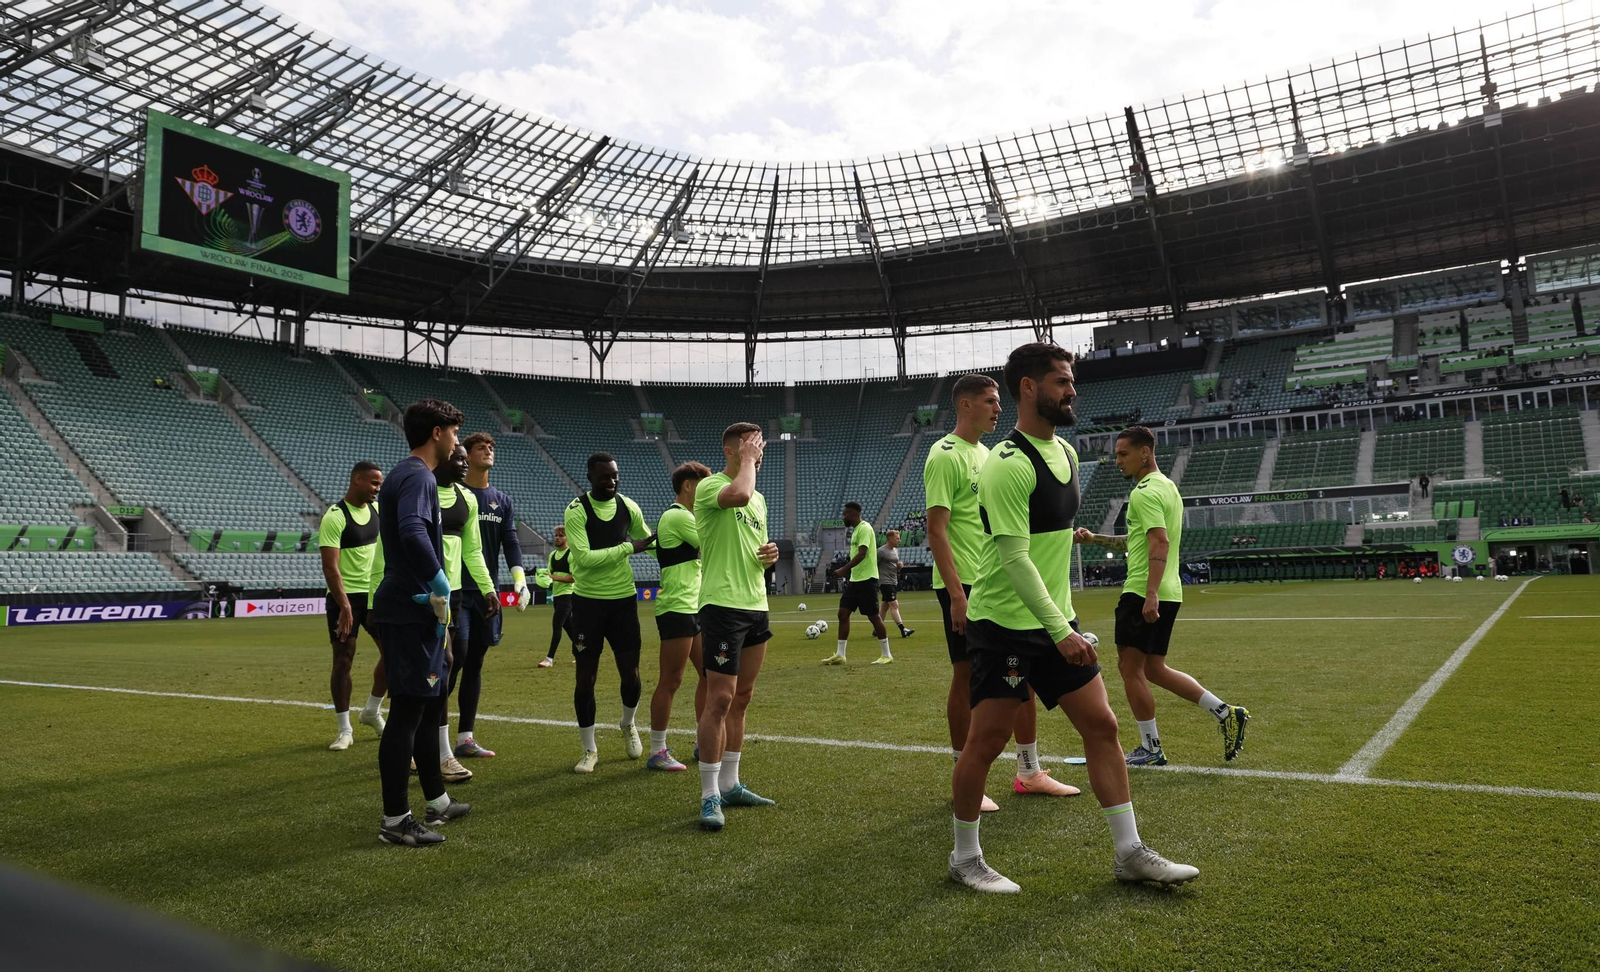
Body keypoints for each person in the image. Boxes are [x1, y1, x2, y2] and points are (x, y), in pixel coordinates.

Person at [949, 343, 1196, 893]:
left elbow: (1051, 550)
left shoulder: (1065, 453)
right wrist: (1060, 631)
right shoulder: (1006, 466)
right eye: (1061, 381)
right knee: (986, 740)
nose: (1072, 390)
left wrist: (1063, 621)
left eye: (1071, 380)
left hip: (1054, 620)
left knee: (1103, 726)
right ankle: (965, 858)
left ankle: (1129, 852)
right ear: (1029, 388)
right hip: (1004, 625)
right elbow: (1013, 559)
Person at [924, 373, 1075, 808]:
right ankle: (963, 775)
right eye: (990, 401)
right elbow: (937, 529)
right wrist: (955, 593)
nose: (998, 408)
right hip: (964, 584)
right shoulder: (944, 455)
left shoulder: (992, 454)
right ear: (965, 405)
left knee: (1021, 676)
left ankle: (1028, 771)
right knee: (966, 676)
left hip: (998, 578)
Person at [1077, 426, 1250, 767]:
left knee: (1130, 668)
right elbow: (1140, 540)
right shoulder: (1167, 488)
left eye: (1123, 454)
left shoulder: (1144, 492)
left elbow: (1160, 542)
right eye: (1116, 455)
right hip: (1168, 590)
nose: (1117, 461)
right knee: (1153, 669)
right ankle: (1225, 712)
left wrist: (1150, 593)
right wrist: (1096, 538)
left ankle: (1150, 747)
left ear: (1145, 453)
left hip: (1144, 590)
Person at [371, 398, 471, 847]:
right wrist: (439, 583)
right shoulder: (417, 476)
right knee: (408, 714)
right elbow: (412, 530)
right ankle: (395, 820)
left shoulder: (408, 474)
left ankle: (437, 799)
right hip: (411, 607)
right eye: (452, 432)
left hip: (414, 607)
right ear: (436, 433)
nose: (456, 441)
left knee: (428, 707)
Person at [694, 423, 781, 830]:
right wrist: (746, 461)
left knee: (742, 698)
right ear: (730, 449)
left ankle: (731, 784)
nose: (759, 451)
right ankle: (709, 794)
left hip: (755, 604)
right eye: (752, 445)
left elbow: (754, 544)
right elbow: (739, 494)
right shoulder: (711, 487)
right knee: (720, 700)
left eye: (760, 445)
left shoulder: (760, 499)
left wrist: (770, 556)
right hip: (722, 606)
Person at [563, 452, 655, 773]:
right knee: (585, 679)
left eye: (615, 475)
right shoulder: (576, 511)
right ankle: (589, 750)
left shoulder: (629, 507)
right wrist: (630, 547)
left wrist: (687, 545)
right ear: (590, 477)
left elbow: (649, 541)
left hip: (623, 602)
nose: (612, 481)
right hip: (587, 604)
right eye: (605, 477)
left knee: (630, 674)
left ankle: (628, 724)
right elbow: (585, 559)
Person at [454, 432, 527, 759]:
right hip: (456, 590)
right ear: (466, 455)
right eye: (481, 447)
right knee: (452, 660)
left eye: (491, 447)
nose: (488, 450)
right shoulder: (455, 493)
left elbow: (510, 543)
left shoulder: (502, 500)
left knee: (475, 663)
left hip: (487, 593)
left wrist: (519, 580)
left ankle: (465, 737)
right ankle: (427, 736)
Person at [431, 444, 499, 783]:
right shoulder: (418, 490)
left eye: (463, 458)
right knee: (429, 670)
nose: (462, 464)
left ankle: (441, 752)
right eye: (456, 458)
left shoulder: (466, 500)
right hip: (420, 594)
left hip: (452, 596)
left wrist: (488, 589)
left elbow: (473, 550)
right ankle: (427, 747)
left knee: (444, 667)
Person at [646, 461, 713, 771]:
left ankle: (704, 741)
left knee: (709, 677)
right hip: (677, 608)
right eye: (704, 484)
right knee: (671, 681)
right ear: (688, 485)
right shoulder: (678, 516)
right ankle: (657, 751)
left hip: (693, 607)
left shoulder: (684, 516)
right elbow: (712, 543)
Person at [319, 460, 388, 751]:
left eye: (380, 485)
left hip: (375, 596)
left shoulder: (379, 512)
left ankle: (371, 711)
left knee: (393, 655)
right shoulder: (335, 517)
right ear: (357, 480)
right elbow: (331, 568)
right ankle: (344, 729)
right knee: (344, 660)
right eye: (373, 483)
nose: (377, 489)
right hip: (344, 599)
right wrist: (345, 606)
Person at [822, 502, 892, 665]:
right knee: (843, 613)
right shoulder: (855, 532)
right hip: (855, 580)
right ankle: (841, 654)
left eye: (845, 514)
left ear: (853, 514)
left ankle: (887, 654)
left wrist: (843, 569)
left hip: (867, 580)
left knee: (874, 617)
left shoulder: (865, 529)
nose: (843, 517)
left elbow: (862, 554)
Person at [539, 525, 577, 669]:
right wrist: (540, 575)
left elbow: (573, 578)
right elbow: (548, 573)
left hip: (568, 596)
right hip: (557, 595)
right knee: (570, 628)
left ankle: (549, 659)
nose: (557, 538)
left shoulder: (571, 554)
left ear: (568, 538)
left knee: (557, 625)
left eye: (561, 535)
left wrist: (553, 577)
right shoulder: (552, 555)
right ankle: (582, 654)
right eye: (556, 535)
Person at [877, 530, 914, 639]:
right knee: (894, 605)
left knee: (885, 606)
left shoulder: (895, 551)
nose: (899, 540)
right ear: (890, 539)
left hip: (893, 581)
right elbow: (875, 565)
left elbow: (894, 567)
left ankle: (877, 628)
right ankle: (903, 630)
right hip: (885, 582)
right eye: (897, 538)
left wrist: (899, 567)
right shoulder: (881, 551)